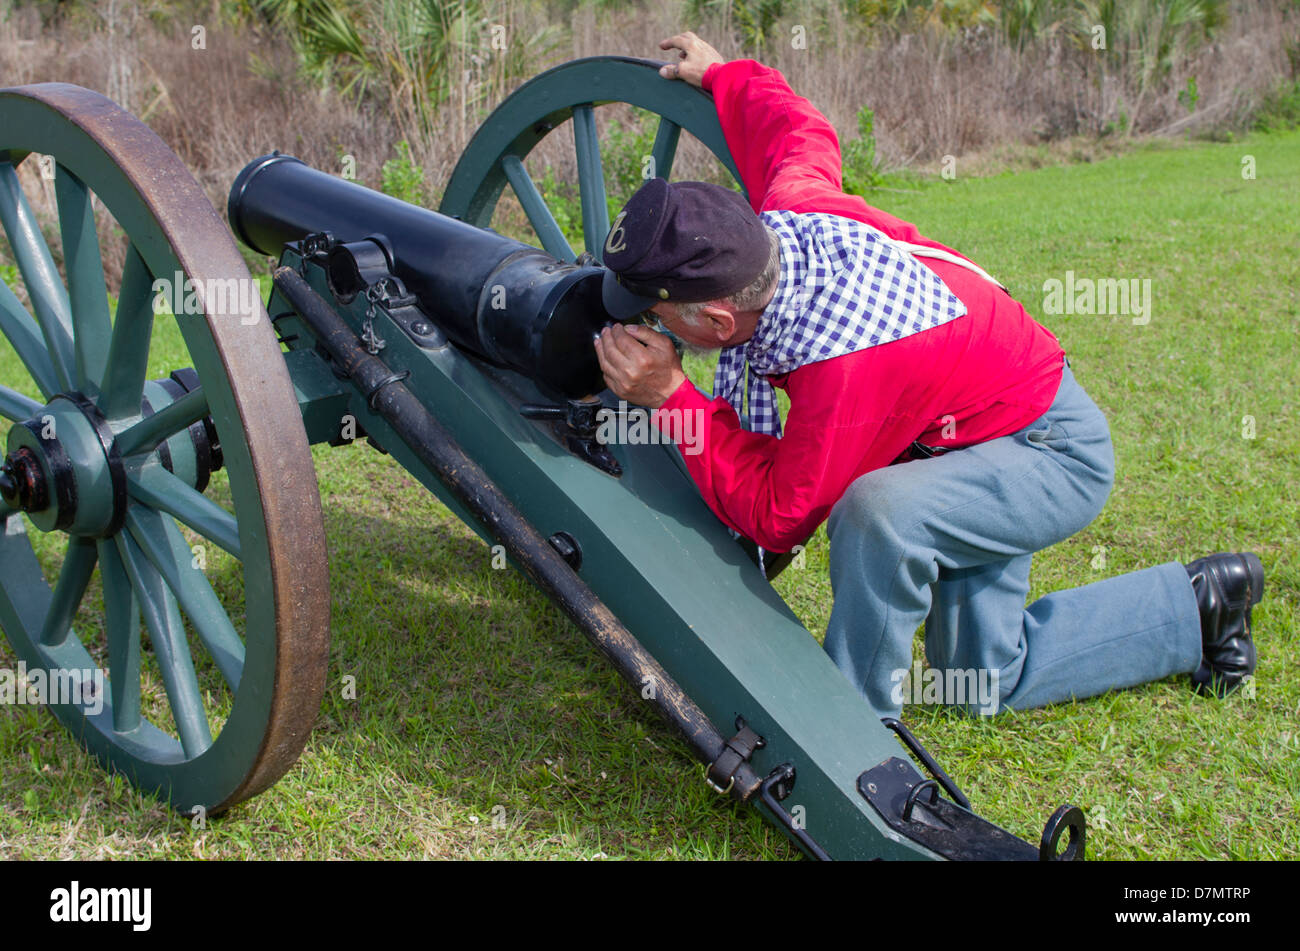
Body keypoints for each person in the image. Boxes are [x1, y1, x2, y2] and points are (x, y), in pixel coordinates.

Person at [592, 32, 1264, 718]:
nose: (649, 321)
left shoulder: (844, 367)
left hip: (1049, 453)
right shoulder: (793, 213)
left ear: (717, 322)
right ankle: (1200, 606)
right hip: (969, 433)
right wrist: (725, 74)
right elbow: (797, 130)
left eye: (656, 310)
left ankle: (854, 721)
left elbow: (777, 515)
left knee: (878, 513)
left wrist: (675, 396)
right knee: (982, 678)